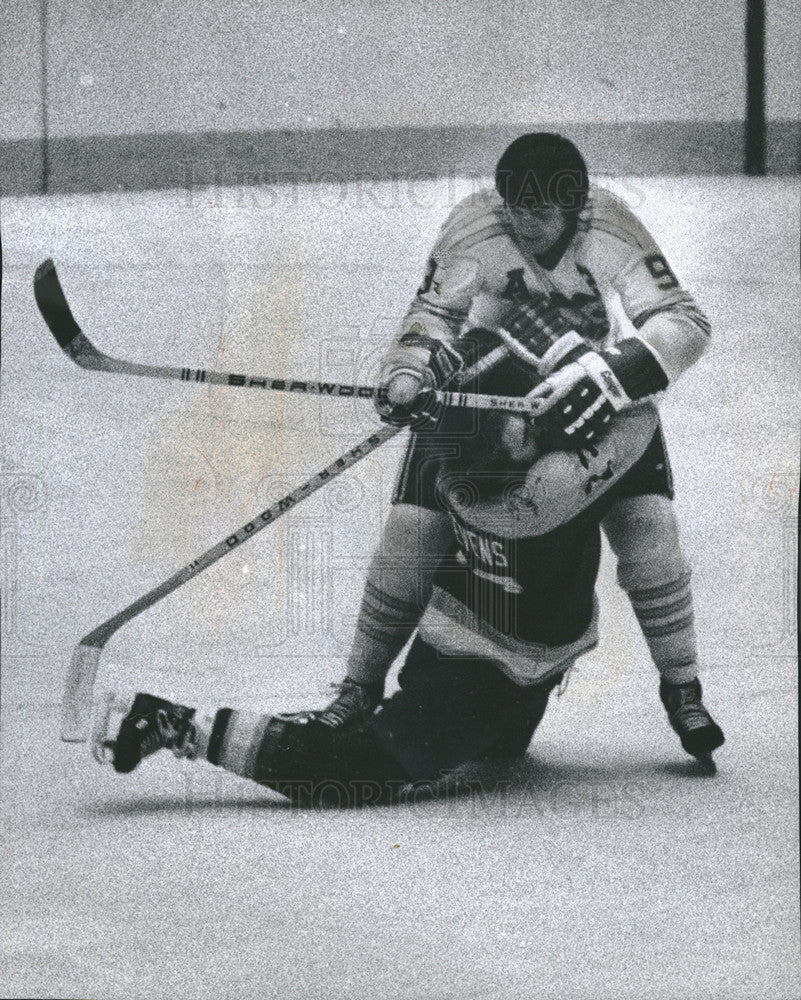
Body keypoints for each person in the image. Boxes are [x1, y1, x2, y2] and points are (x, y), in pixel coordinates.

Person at [94, 358, 680, 804]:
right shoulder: (535, 485)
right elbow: (640, 416)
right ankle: (167, 721)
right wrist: (604, 385)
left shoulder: (487, 444)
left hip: (505, 658)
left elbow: (535, 405)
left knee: (501, 748)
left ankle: (356, 715)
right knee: (350, 769)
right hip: (480, 666)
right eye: (516, 421)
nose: (527, 421)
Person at [318, 132, 724, 762]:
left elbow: (683, 320)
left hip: (589, 394)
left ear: (576, 206)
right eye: (514, 208)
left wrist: (611, 374)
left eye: (541, 212)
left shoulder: (611, 225)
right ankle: (358, 687)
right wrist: (409, 374)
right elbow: (430, 317)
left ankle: (682, 686)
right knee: (411, 530)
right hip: (482, 396)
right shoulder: (474, 226)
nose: (524, 224)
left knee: (649, 528)